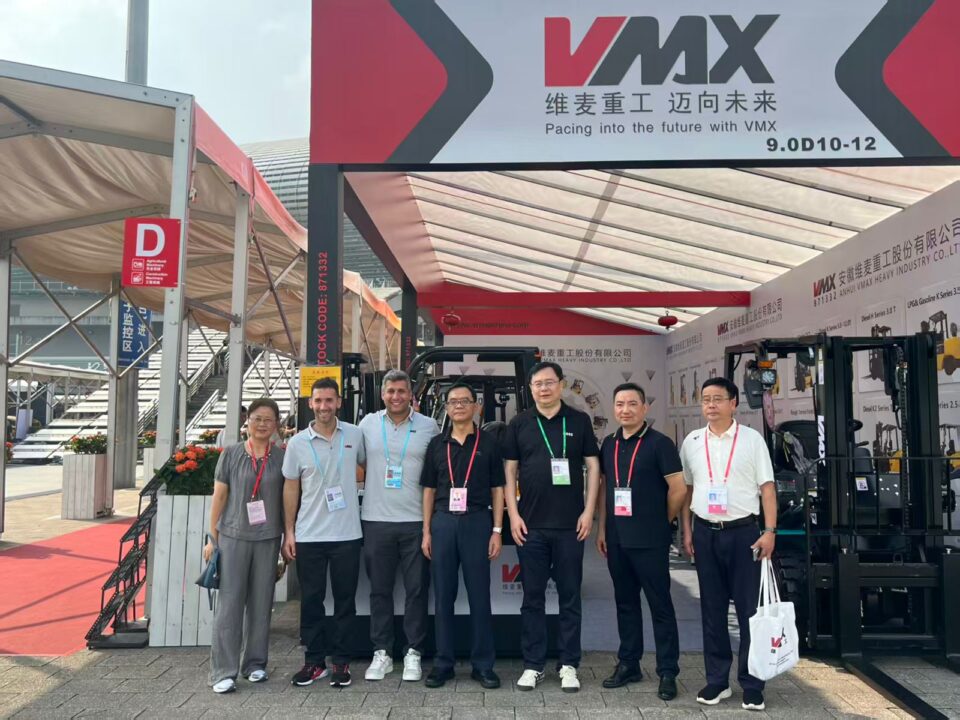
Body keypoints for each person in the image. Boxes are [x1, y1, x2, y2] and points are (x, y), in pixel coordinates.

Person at [680, 377, 777, 712]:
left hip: (744, 533)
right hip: (705, 533)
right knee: (712, 609)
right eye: (705, 399)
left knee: (750, 611)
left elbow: (767, 489)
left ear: (734, 403)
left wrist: (769, 531)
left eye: (718, 398)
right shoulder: (692, 441)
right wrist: (687, 530)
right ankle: (717, 680)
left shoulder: (752, 440)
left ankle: (752, 683)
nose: (710, 405)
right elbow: (688, 489)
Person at [502, 361, 600, 693]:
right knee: (532, 598)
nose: (544, 388)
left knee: (570, 596)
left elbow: (593, 466)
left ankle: (569, 664)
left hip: (571, 526)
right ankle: (533, 665)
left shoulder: (579, 420)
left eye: (549, 382)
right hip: (530, 527)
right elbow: (509, 471)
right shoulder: (519, 423)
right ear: (530, 389)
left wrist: (588, 511)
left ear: (561, 384)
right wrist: (513, 515)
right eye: (538, 384)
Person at [596, 383, 686, 700]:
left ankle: (667, 671)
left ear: (644, 408)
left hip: (650, 539)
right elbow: (606, 488)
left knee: (660, 605)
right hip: (617, 539)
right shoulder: (609, 443)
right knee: (625, 603)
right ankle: (629, 663)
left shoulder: (660, 444)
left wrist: (663, 519)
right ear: (614, 408)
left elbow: (678, 488)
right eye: (620, 404)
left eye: (632, 404)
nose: (626, 410)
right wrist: (602, 529)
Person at [420, 383, 505, 689]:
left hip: (477, 522)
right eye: (453, 401)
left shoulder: (489, 443)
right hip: (443, 523)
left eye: (465, 401)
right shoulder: (436, 445)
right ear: (446, 407)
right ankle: (443, 663)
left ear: (475, 406)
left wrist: (497, 530)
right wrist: (427, 531)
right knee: (443, 596)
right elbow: (429, 490)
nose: (458, 405)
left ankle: (483, 665)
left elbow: (498, 489)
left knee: (480, 595)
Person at [282, 378, 365, 688]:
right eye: (318, 400)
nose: (323, 406)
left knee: (345, 601)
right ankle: (314, 662)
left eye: (329, 400)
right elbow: (291, 488)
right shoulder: (297, 443)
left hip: (347, 534)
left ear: (339, 402)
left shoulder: (354, 435)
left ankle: (342, 662)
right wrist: (289, 532)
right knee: (311, 602)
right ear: (310, 403)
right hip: (309, 535)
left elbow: (368, 466)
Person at [357, 369, 439, 681]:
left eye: (402, 391)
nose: (396, 397)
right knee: (380, 590)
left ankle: (413, 652)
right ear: (382, 394)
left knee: (417, 590)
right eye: (390, 391)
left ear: (411, 395)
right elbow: (359, 462)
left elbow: (436, 470)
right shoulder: (367, 424)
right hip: (376, 520)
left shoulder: (428, 426)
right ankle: (382, 652)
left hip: (416, 521)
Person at [205, 398, 285, 694]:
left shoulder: (281, 457)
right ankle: (223, 671)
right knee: (229, 604)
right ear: (247, 421)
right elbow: (219, 496)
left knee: (262, 603)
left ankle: (255, 663)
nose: (262, 424)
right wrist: (212, 538)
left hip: (268, 538)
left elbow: (287, 498)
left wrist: (287, 538)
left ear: (276, 424)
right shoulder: (231, 454)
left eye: (268, 419)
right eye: (257, 418)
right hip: (233, 536)